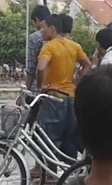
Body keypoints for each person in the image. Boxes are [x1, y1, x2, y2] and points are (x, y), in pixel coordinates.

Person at [37, 14, 92, 158]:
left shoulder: (49, 47)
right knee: (70, 138)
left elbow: (41, 68)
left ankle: (50, 174)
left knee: (50, 138)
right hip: (71, 96)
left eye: (44, 27)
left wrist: (41, 85)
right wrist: (77, 80)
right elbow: (88, 65)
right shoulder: (74, 46)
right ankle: (68, 172)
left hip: (54, 97)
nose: (42, 31)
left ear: (52, 28)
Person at [25, 5, 51, 92]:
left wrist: (25, 92)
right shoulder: (62, 38)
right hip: (55, 89)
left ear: (37, 19)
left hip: (37, 90)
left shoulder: (34, 37)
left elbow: (31, 69)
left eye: (34, 22)